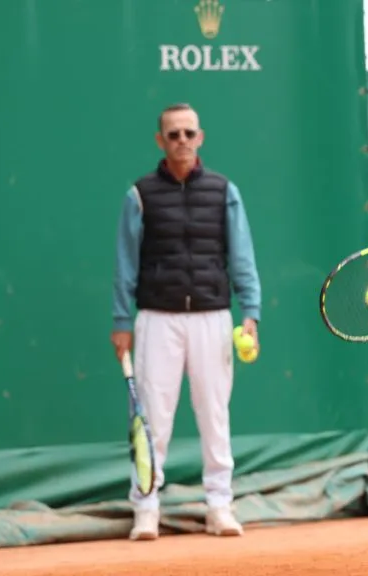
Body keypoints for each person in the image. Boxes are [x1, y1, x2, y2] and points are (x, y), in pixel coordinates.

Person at [111, 102, 262, 541]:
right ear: (160, 141)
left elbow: (242, 256)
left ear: (201, 138)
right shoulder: (139, 195)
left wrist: (250, 312)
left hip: (213, 318)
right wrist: (122, 320)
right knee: (153, 418)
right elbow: (125, 264)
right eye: (173, 134)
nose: (182, 141)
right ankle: (146, 508)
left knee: (215, 417)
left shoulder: (223, 190)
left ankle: (219, 506)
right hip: (156, 319)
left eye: (188, 133)